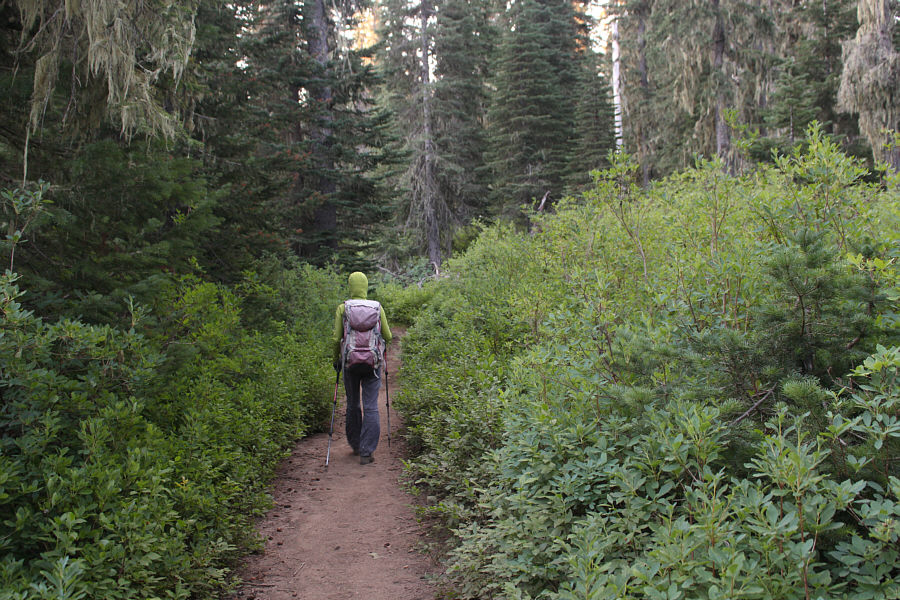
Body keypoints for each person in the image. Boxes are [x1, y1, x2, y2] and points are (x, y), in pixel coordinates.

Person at [332, 272, 392, 465]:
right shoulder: (377, 307)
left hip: (349, 363)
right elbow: (388, 336)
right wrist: (381, 350)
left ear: (350, 285)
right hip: (372, 364)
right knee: (371, 406)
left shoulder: (343, 308)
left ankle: (356, 445)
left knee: (352, 405)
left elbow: (336, 338)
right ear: (365, 286)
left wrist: (336, 359)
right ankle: (367, 452)